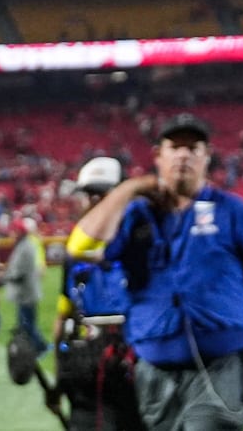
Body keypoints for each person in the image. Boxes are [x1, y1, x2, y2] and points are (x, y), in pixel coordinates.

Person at [74, 114, 243, 431]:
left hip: (221, 367)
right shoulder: (136, 214)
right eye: (174, 147)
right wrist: (130, 188)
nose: (183, 155)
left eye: (193, 148)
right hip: (155, 372)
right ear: (158, 156)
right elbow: (81, 246)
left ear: (207, 157)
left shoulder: (231, 210)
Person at [53, 156, 145, 431]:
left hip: (139, 366)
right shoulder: (74, 252)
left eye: (101, 194)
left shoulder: (144, 242)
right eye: (88, 194)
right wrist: (60, 378)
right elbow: (64, 315)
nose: (93, 201)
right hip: (88, 374)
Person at [4, 216, 48, 356]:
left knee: (28, 324)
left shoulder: (26, 246)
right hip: (24, 293)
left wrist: (4, 276)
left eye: (14, 231)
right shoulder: (24, 245)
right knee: (25, 323)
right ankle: (33, 347)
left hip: (26, 293)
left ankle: (40, 347)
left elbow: (19, 272)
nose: (12, 234)